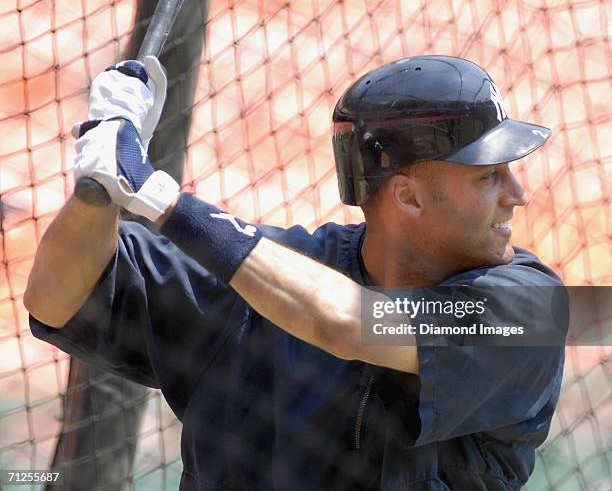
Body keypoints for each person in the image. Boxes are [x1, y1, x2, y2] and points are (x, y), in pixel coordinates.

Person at [24, 55, 567, 490]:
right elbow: (55, 297)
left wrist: (162, 198)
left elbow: (348, 323)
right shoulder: (260, 280)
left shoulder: (530, 311)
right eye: (489, 177)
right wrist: (97, 188)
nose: (518, 196)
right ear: (408, 196)